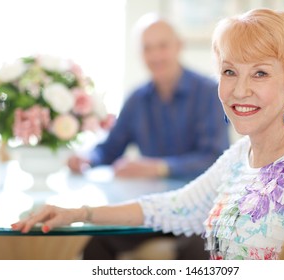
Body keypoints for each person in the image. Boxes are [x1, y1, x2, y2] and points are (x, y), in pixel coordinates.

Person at [12, 8, 284, 260]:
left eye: (260, 73)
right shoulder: (238, 159)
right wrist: (79, 213)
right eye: (230, 71)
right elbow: (174, 206)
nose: (240, 90)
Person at [67, 14, 229, 260]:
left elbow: (214, 157)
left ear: (178, 46)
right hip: (154, 210)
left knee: (200, 249)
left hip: (199, 208)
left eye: (162, 46)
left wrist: (158, 168)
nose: (155, 55)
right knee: (97, 243)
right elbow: (110, 149)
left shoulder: (208, 92)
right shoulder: (137, 99)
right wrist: (86, 159)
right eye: (147, 48)